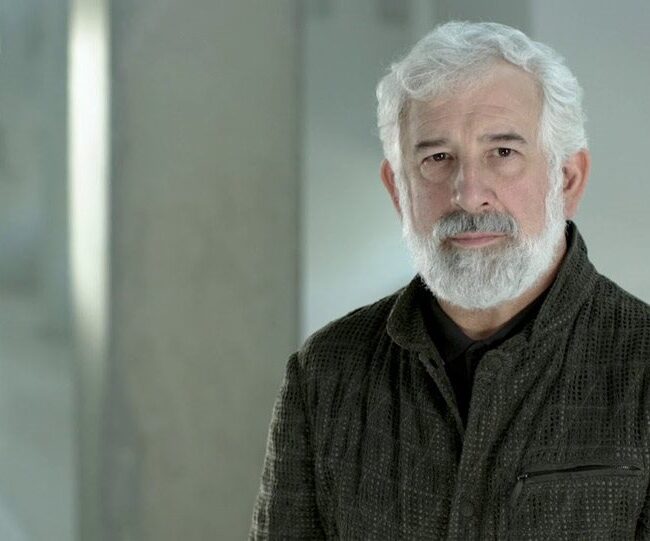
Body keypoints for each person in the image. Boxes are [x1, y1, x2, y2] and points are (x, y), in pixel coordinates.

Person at [250, 21, 650, 539]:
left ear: (567, 180)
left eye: (502, 153)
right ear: (398, 189)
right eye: (437, 158)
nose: (468, 193)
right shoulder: (325, 373)